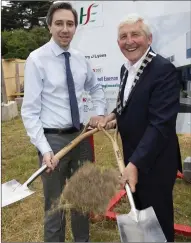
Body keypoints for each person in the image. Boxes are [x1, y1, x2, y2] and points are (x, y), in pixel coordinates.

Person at [21, 2, 106, 242]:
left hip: (80, 137)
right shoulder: (36, 59)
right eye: (59, 23)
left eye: (70, 23)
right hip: (53, 141)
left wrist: (98, 112)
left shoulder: (80, 59)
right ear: (49, 26)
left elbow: (96, 88)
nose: (65, 29)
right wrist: (45, 149)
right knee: (55, 204)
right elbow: (29, 111)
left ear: (75, 28)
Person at [98, 14, 182, 242]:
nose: (129, 41)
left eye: (135, 34)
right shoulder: (126, 69)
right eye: (123, 36)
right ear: (118, 43)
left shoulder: (163, 70)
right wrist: (112, 116)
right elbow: (125, 105)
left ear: (149, 38)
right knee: (141, 207)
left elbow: (160, 123)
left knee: (158, 215)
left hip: (155, 159)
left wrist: (134, 164)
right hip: (133, 154)